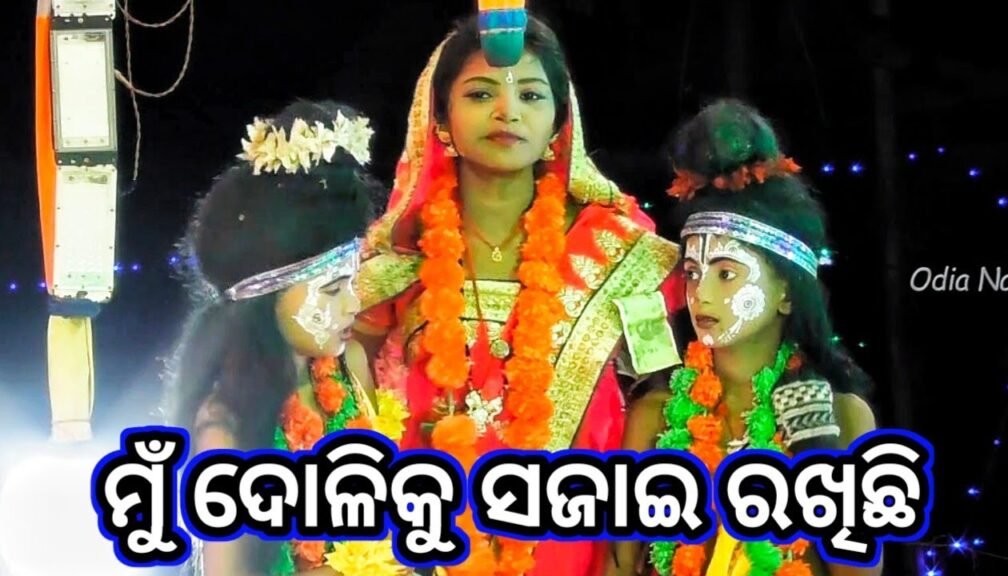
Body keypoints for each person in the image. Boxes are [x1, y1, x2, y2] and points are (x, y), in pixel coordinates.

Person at [354, 13, 684, 576]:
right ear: (440, 119)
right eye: (480, 94)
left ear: (559, 122)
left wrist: (626, 546)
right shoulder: (397, 260)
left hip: (580, 544)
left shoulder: (620, 251)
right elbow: (347, 400)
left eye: (530, 95)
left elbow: (657, 392)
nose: (507, 111)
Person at [611, 99, 882, 576]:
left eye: (726, 273)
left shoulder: (843, 415)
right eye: (692, 273)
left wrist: (816, 453)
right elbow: (618, 565)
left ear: (786, 293)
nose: (701, 294)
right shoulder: (655, 412)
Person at [164, 99, 412, 576]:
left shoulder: (350, 369)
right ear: (266, 298)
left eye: (352, 284)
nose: (352, 306)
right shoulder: (225, 428)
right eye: (333, 289)